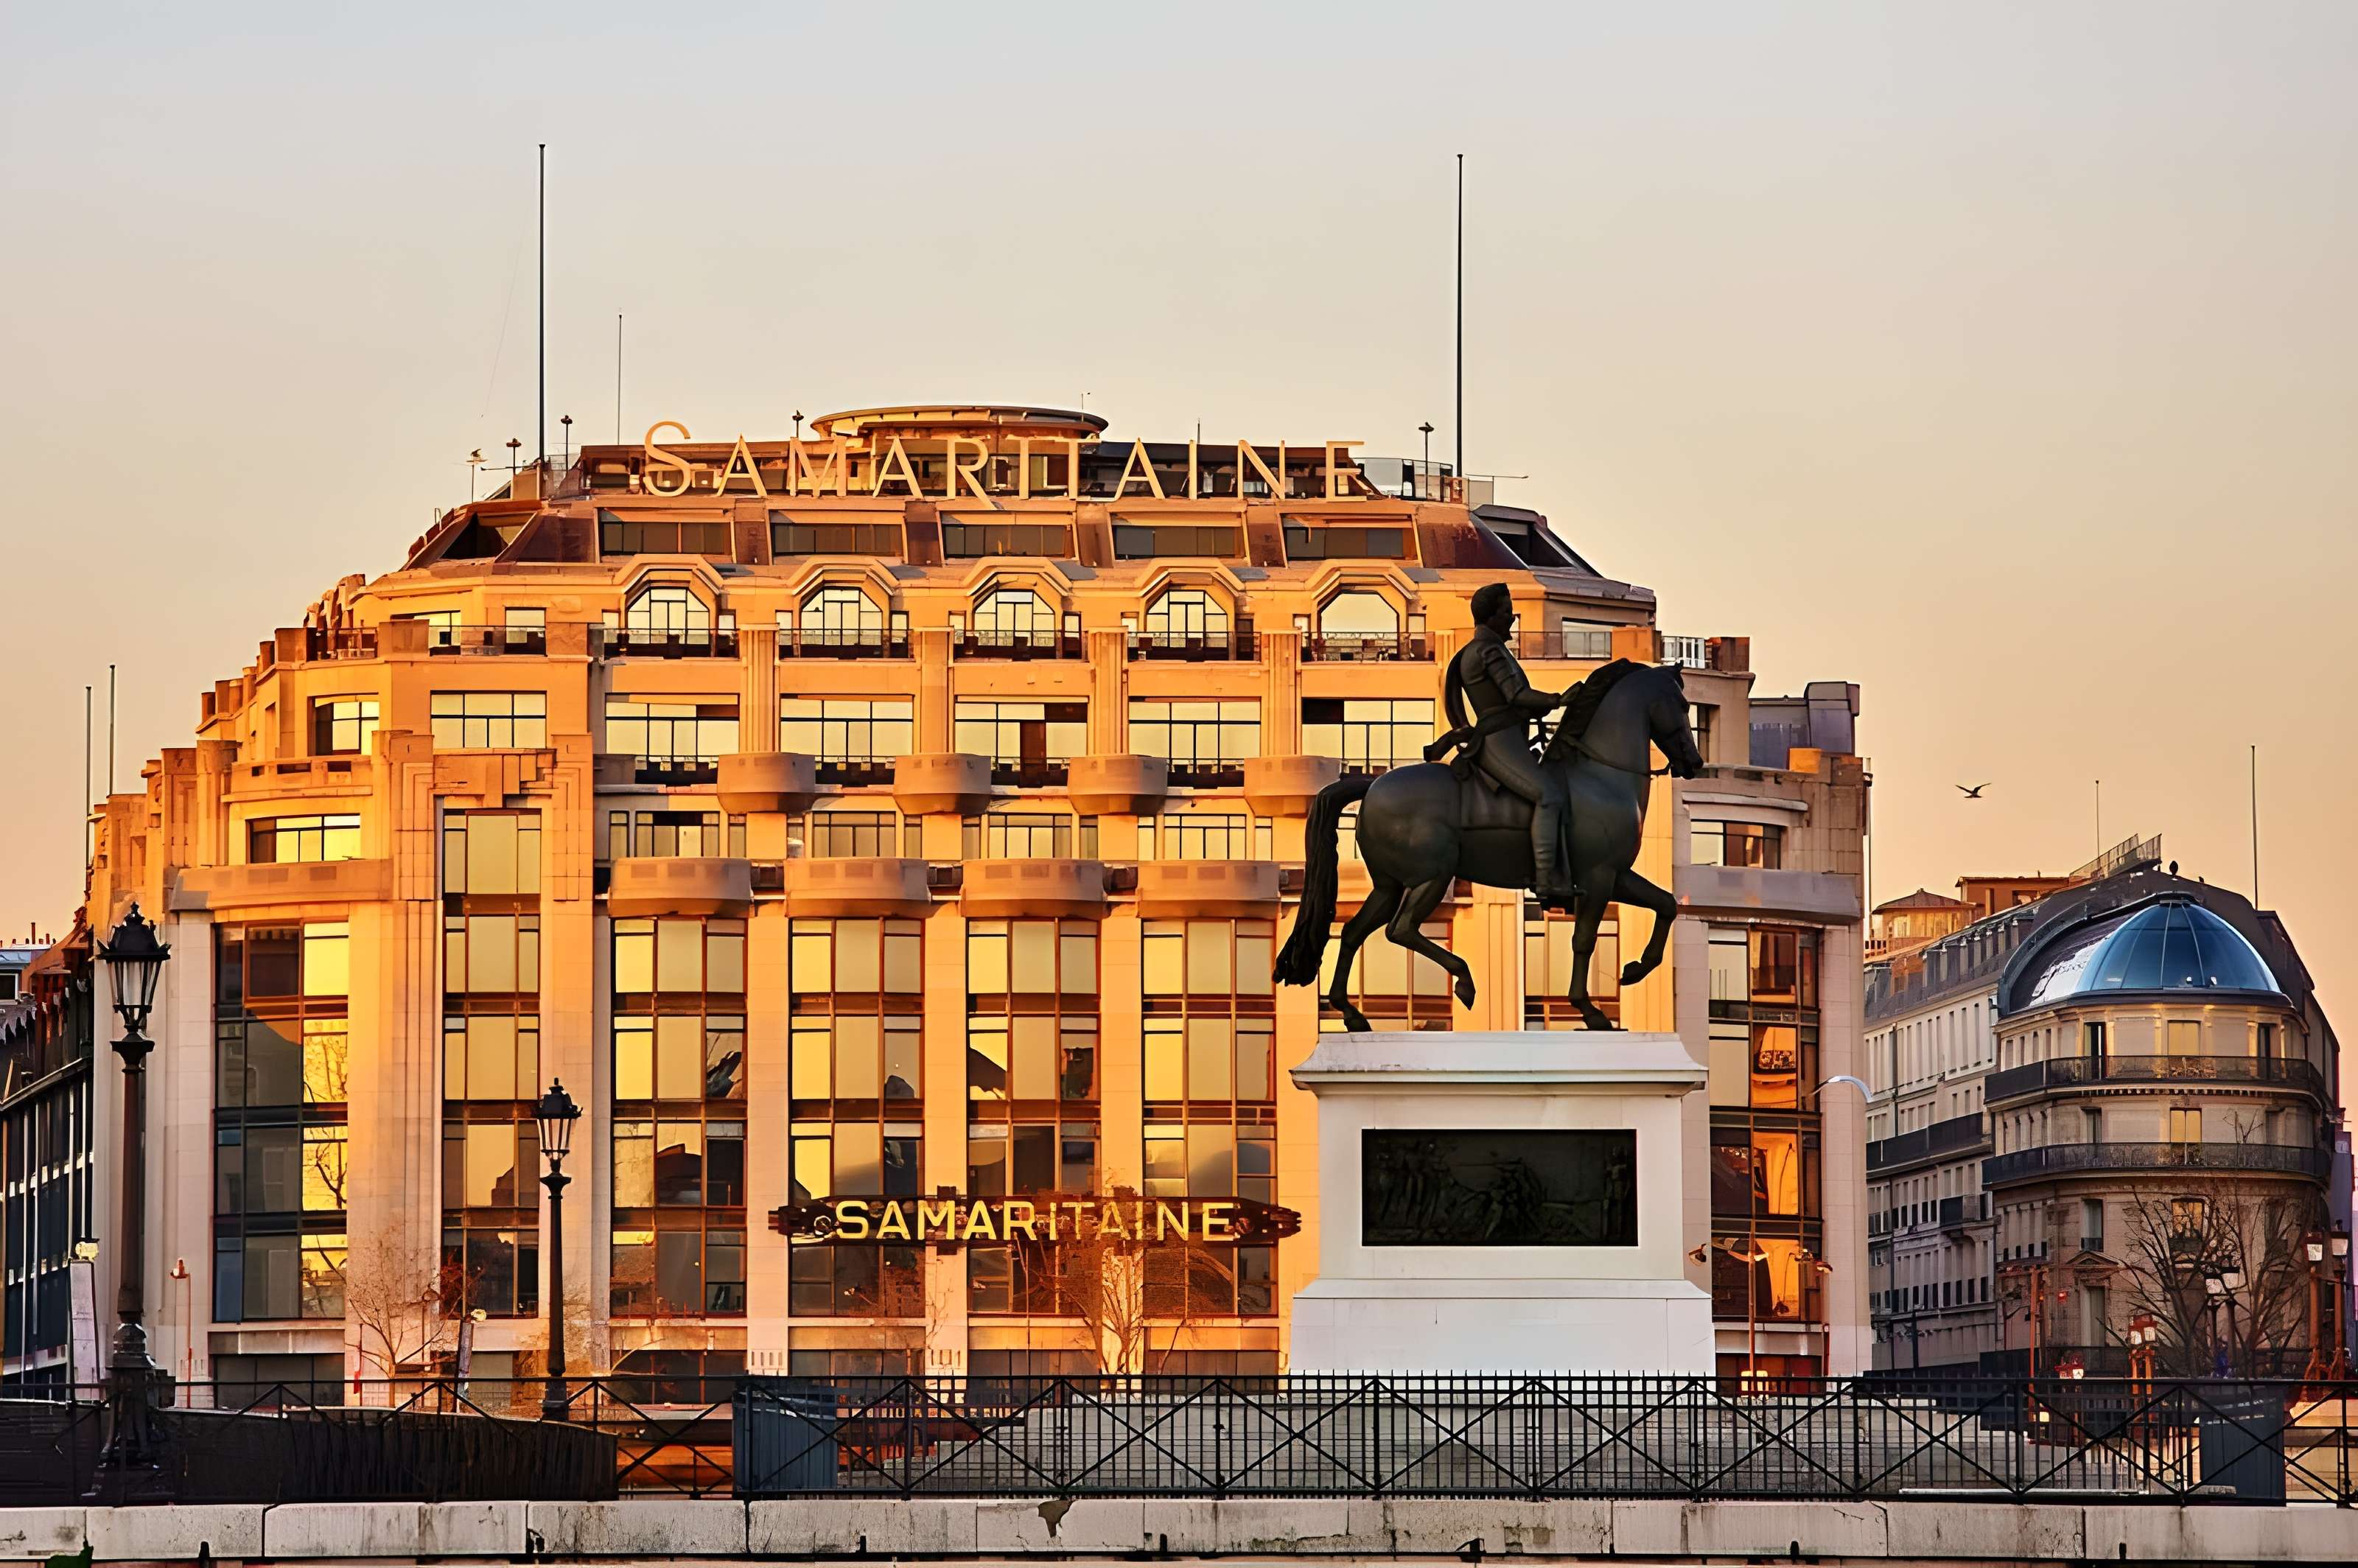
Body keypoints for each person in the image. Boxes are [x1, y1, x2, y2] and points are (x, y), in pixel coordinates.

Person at [1448, 583, 1575, 904]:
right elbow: (1517, 696)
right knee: (1549, 796)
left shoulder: (1481, 649)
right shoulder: (1487, 651)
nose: (1512, 620)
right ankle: (1547, 880)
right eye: (1506, 613)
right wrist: (1559, 699)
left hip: (1507, 737)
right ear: (1491, 617)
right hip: (1499, 741)